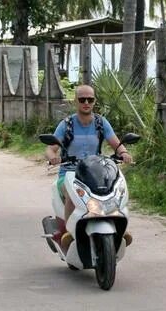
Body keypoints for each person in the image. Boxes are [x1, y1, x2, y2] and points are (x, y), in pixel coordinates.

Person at [44, 84, 133, 251]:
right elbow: (50, 148)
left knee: (114, 192)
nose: (86, 103)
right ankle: (69, 233)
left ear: (94, 102)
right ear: (76, 102)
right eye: (82, 99)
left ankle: (120, 226)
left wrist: (124, 153)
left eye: (90, 99)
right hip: (70, 173)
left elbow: (116, 144)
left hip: (94, 171)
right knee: (72, 194)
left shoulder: (101, 123)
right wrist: (53, 158)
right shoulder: (67, 124)